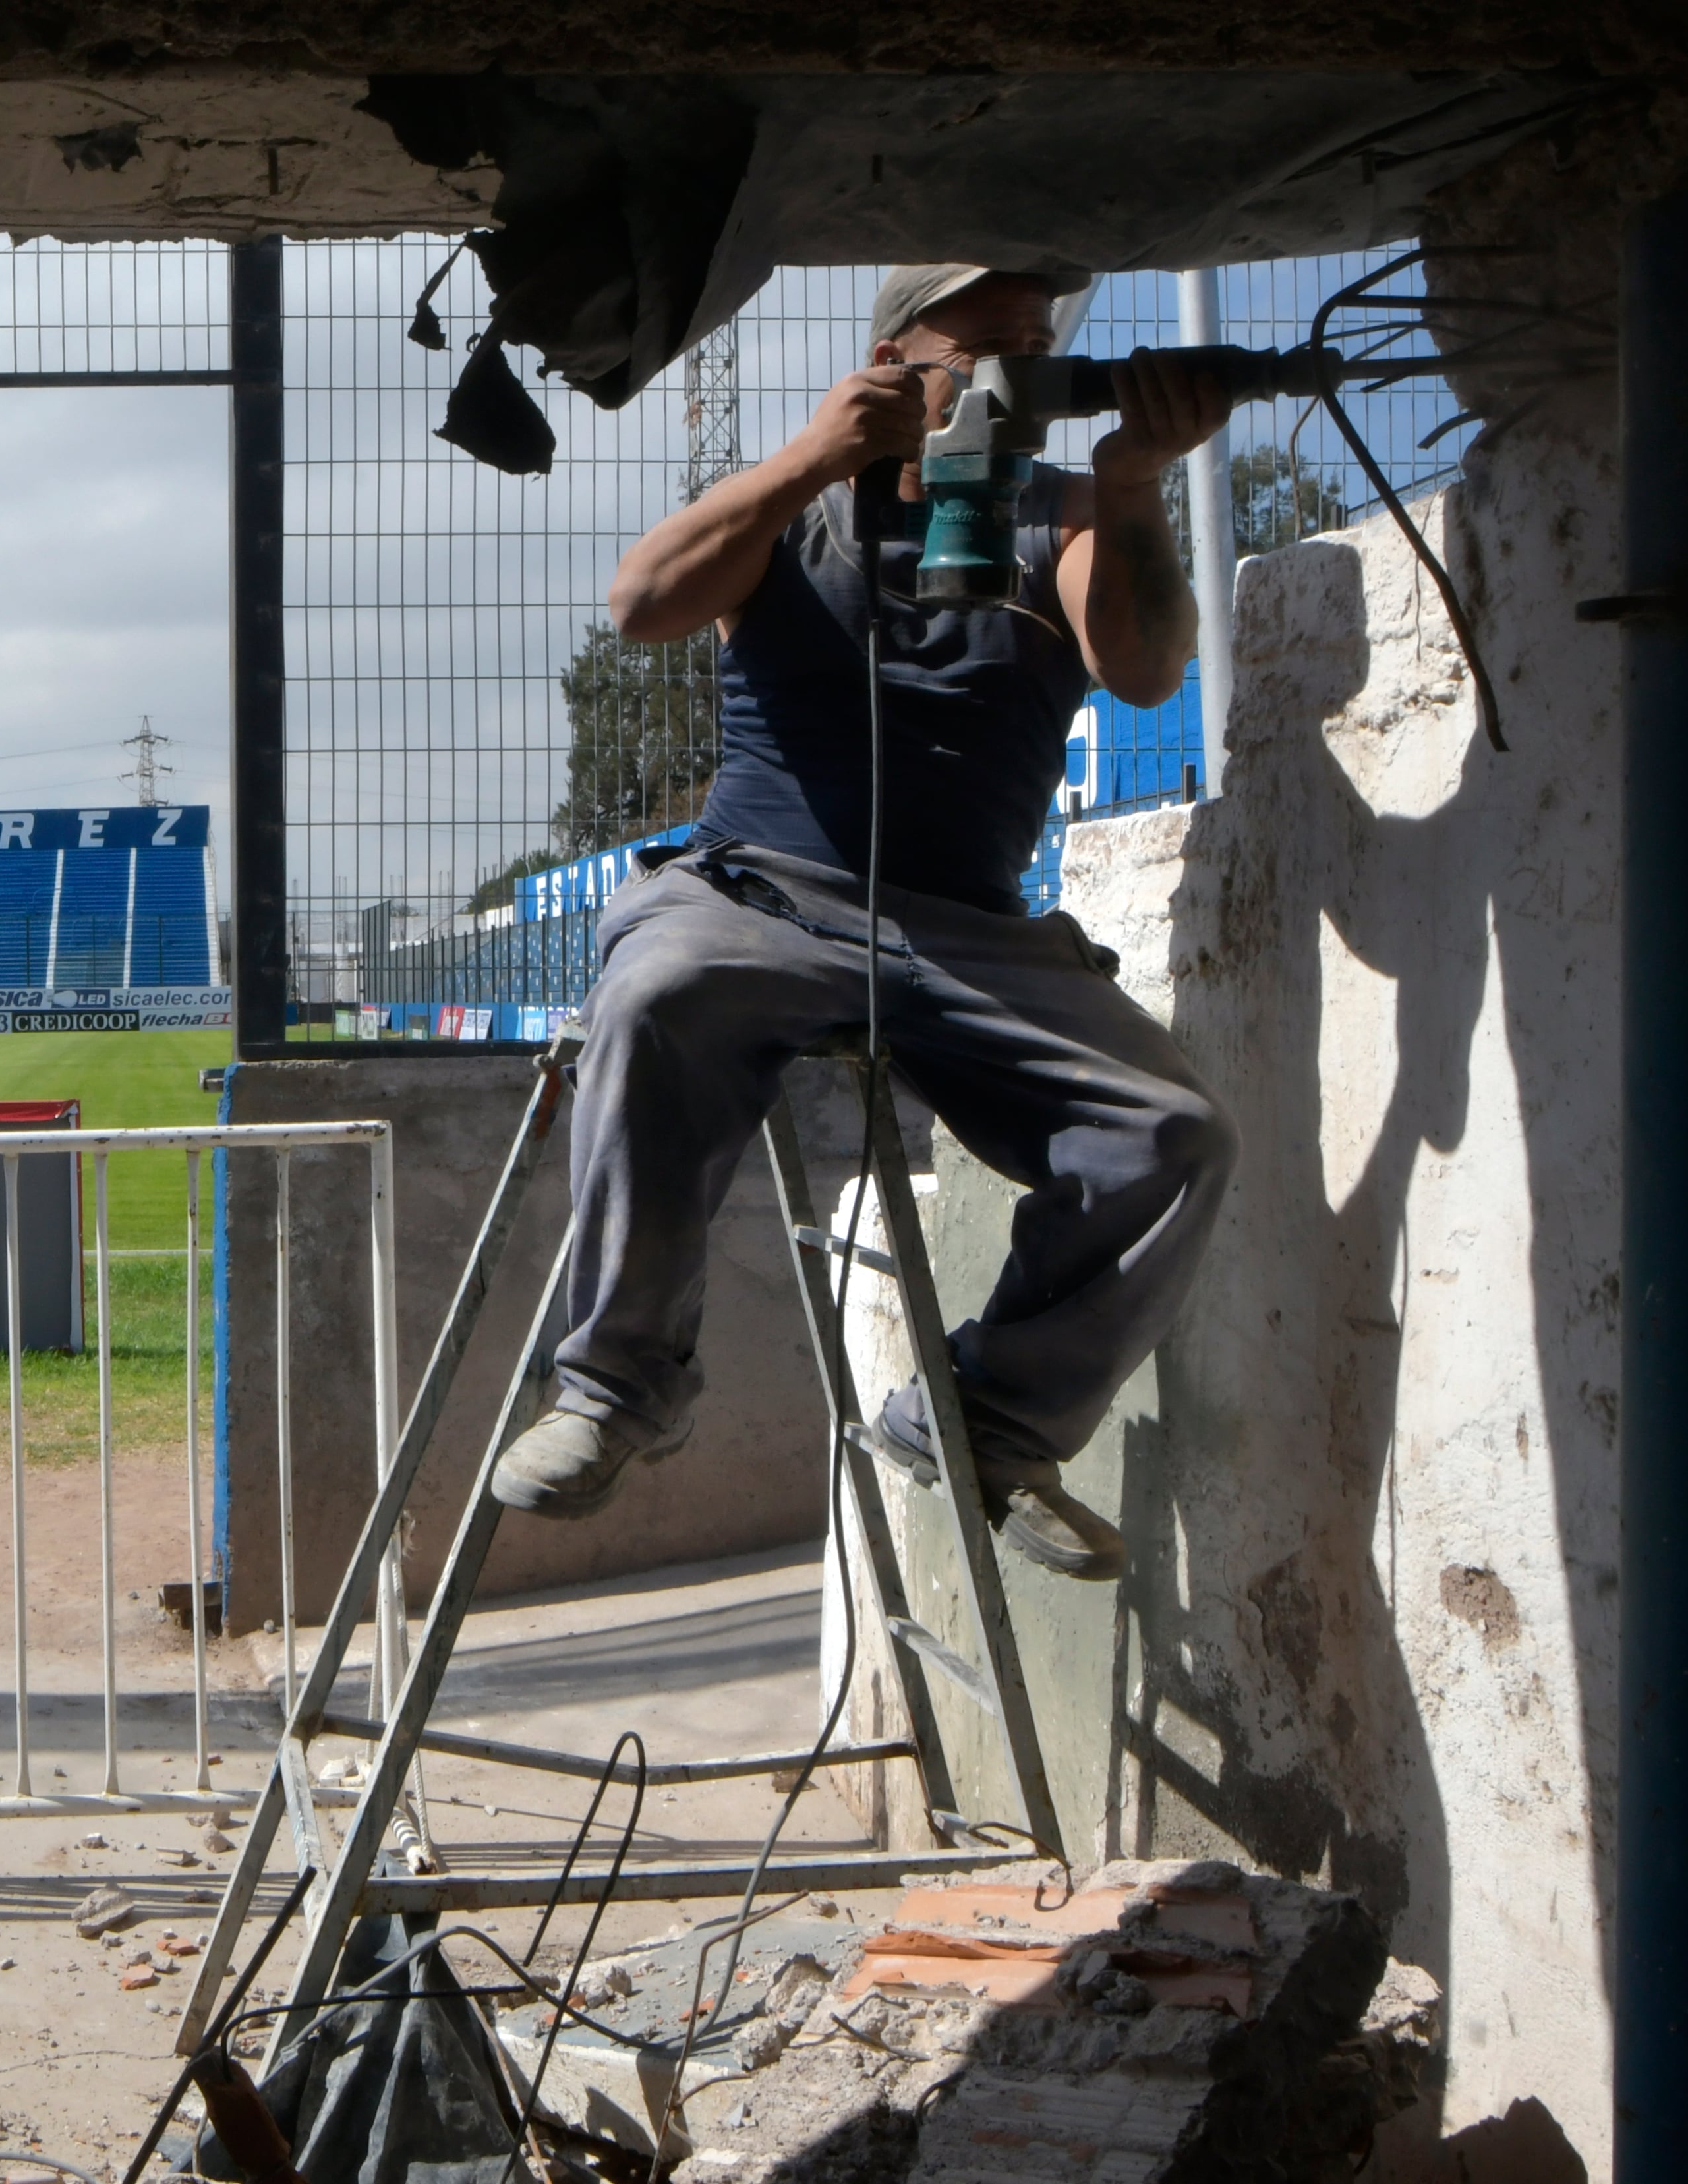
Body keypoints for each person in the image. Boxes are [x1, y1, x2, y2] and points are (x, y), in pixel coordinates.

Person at [488, 264, 1238, 1582]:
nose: (1009, 362)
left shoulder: (1063, 517)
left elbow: (1142, 668)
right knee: (657, 987)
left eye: (1032, 342)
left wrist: (1130, 486)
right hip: (763, 892)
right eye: (979, 341)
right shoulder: (800, 511)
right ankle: (614, 1389)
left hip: (971, 934)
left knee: (1168, 1132)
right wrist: (808, 458)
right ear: (895, 354)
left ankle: (985, 1423)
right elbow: (641, 600)